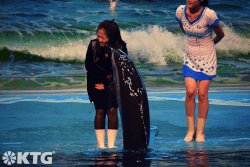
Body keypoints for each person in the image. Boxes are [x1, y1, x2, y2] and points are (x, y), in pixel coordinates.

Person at [176, 0, 224, 142]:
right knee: (190, 91)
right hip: (189, 55)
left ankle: (200, 132)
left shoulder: (209, 15)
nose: (189, 0)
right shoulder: (180, 11)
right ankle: (191, 130)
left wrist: (208, 45)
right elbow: (183, 28)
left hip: (207, 56)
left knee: (202, 93)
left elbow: (221, 34)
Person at [85, 20, 127, 148]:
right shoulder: (93, 45)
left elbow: (122, 69)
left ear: (112, 37)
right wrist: (100, 84)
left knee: (112, 110)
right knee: (100, 110)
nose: (100, 39)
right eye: (98, 36)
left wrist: (109, 85)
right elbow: (89, 66)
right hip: (96, 82)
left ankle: (112, 145)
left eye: (103, 37)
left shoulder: (121, 47)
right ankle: (101, 145)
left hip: (114, 83)